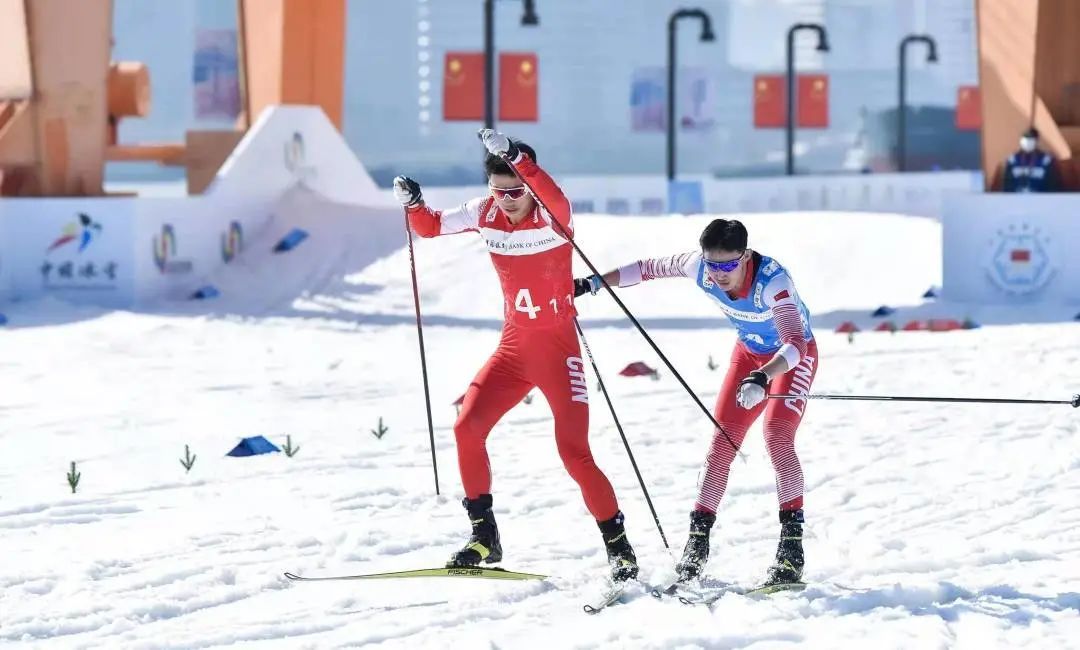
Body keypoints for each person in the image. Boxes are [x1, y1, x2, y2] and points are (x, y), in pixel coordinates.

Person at [392, 129, 639, 583]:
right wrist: (413, 202)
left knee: (573, 452)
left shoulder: (552, 216)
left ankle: (618, 546)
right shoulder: (483, 211)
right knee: (467, 427)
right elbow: (427, 227)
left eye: (515, 191)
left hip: (558, 353)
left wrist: (517, 157)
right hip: (513, 350)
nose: (507, 199)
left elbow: (548, 190)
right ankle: (484, 535)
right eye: (499, 191)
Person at [574, 219, 818, 587]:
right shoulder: (698, 266)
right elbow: (645, 269)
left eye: (728, 265)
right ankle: (697, 544)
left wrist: (763, 376)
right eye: (712, 264)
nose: (718, 274)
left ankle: (791, 548)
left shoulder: (774, 283)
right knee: (722, 443)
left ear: (745, 256)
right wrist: (593, 283)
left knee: (776, 437)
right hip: (749, 356)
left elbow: (795, 344)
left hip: (787, 360)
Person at [1003, 127, 1060, 193]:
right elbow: (1007, 188)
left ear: (1036, 141)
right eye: (1025, 138)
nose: (1027, 141)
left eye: (1030, 138)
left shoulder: (1046, 161)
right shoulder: (1012, 160)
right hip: (1017, 201)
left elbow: (1053, 188)